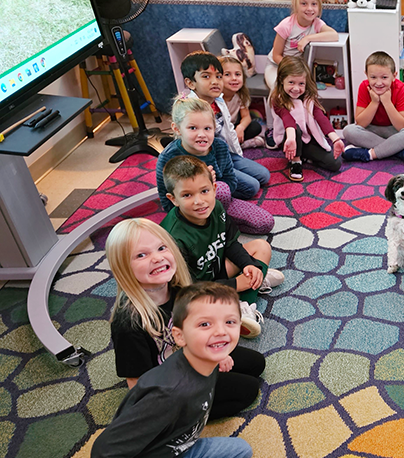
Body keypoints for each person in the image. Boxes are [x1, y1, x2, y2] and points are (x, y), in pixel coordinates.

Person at [87, 281, 252, 458]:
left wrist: (219, 353)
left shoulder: (202, 358)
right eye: (205, 325)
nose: (220, 331)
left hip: (168, 451)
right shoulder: (169, 394)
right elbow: (104, 452)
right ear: (180, 336)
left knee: (242, 451)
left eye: (229, 322)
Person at [105, 218, 265, 418]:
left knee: (256, 364)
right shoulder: (129, 321)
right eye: (141, 255)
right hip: (170, 385)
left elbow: (196, 329)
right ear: (123, 267)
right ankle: (179, 418)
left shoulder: (177, 288)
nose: (157, 258)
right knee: (248, 390)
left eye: (162, 248)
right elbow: (136, 383)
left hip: (189, 356)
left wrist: (216, 354)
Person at [161, 155, 285, 337]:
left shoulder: (216, 207)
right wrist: (236, 284)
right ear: (173, 199)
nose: (199, 201)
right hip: (195, 290)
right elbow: (188, 289)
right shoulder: (174, 238)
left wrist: (247, 266)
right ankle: (245, 298)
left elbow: (230, 243)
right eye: (187, 195)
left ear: (214, 188)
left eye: (204, 191)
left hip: (215, 270)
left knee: (261, 247)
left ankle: (248, 295)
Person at [155, 96, 274, 235]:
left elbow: (231, 182)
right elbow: (166, 198)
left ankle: (218, 222)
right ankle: (209, 226)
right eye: (193, 128)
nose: (202, 135)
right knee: (222, 190)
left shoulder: (220, 146)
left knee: (265, 223)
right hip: (188, 211)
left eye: (207, 128)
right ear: (177, 129)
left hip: (219, 203)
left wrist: (213, 185)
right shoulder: (168, 157)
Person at [181, 51, 271, 201]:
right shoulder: (190, 109)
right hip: (208, 162)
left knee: (264, 175)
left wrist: (238, 155)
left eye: (218, 76)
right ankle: (218, 190)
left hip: (226, 154)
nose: (215, 81)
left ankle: (232, 174)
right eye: (206, 76)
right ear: (190, 83)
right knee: (252, 187)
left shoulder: (219, 101)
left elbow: (229, 129)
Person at [270, 55, 344, 181]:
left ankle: (305, 155)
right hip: (289, 140)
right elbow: (289, 121)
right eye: (291, 82)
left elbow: (320, 117)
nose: (296, 88)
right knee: (296, 129)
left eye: (301, 83)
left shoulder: (308, 98)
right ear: (282, 80)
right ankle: (296, 162)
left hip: (307, 139)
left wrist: (335, 139)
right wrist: (292, 140)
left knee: (335, 163)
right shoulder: (278, 99)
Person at [341, 50, 404, 162]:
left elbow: (401, 125)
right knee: (349, 131)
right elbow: (361, 123)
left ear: (394, 76)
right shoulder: (364, 87)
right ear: (366, 75)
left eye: (384, 77)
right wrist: (374, 102)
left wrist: (387, 102)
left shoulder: (400, 88)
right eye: (373, 77)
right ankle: (396, 150)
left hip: (392, 131)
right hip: (371, 130)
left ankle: (370, 154)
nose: (378, 83)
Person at [264, 0, 337, 92]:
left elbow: (334, 35)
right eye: (304, 4)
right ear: (295, 5)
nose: (309, 8)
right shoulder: (286, 25)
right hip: (277, 66)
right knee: (279, 90)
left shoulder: (316, 23)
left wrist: (307, 38)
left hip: (298, 70)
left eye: (314, 4)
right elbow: (276, 55)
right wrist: (291, 70)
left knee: (305, 92)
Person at [219, 55, 263, 149]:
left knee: (255, 127)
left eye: (237, 74)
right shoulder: (216, 97)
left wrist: (240, 128)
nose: (234, 78)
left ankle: (237, 144)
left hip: (233, 127)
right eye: (227, 74)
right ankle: (238, 145)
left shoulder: (241, 95)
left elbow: (246, 117)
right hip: (219, 130)